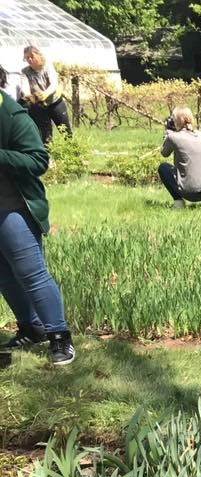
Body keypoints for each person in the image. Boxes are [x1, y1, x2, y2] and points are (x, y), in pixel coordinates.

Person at [0, 65, 75, 365]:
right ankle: (31, 327)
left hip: (14, 206)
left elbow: (38, 159)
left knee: (31, 273)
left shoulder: (14, 116)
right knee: (3, 276)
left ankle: (60, 337)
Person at [20, 46, 72, 145]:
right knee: (45, 134)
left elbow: (54, 84)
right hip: (39, 106)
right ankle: (48, 157)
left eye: (32, 56)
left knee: (66, 131)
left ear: (38, 55)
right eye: (27, 58)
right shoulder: (24, 72)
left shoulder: (47, 66)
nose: (30, 59)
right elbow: (25, 89)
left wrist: (46, 93)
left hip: (55, 103)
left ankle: (74, 155)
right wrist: (29, 96)